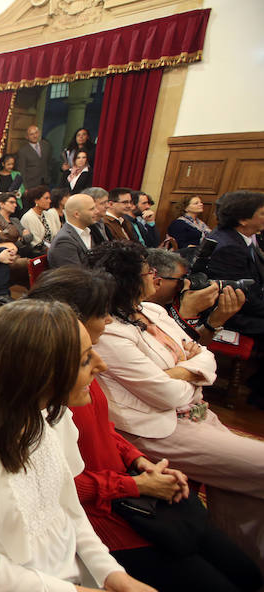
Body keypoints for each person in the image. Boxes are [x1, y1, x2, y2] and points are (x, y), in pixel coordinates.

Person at [26, 267, 261, 592]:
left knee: (246, 573)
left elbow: (104, 429)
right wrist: (135, 485)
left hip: (128, 489)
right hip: (106, 518)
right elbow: (54, 485)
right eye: (103, 313)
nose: (110, 320)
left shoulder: (81, 365)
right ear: (74, 320)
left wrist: (138, 461)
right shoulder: (46, 393)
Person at [0, 299, 154, 592]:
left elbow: (68, 511)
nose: (101, 366)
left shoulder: (46, 416)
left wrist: (113, 575)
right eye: (84, 360)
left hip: (64, 576)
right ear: (39, 374)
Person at [88, 240, 264, 574]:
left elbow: (204, 353)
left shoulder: (152, 311)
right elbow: (167, 395)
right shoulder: (110, 332)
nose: (155, 277)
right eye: (148, 272)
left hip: (198, 414)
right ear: (127, 281)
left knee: (238, 488)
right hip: (161, 431)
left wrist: (185, 369)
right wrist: (191, 369)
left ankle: (245, 565)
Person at [205, 190, 264, 399]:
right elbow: (240, 296)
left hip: (244, 305)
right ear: (243, 220)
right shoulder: (229, 247)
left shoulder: (242, 239)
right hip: (229, 313)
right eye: (262, 213)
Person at [145, 248, 244, 347]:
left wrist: (214, 322)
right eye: (180, 281)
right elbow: (173, 352)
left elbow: (196, 345)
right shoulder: (139, 312)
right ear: (157, 282)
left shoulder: (168, 304)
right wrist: (188, 312)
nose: (185, 286)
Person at [48, 193, 102, 269]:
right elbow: (75, 274)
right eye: (92, 209)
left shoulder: (90, 231)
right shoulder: (64, 241)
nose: (97, 211)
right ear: (77, 214)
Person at [0, 192, 36, 257]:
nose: (15, 205)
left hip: (26, 251)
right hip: (10, 254)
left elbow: (30, 237)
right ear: (1, 204)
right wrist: (22, 239)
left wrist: (20, 239)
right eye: (11, 202)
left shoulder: (15, 220)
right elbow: (5, 240)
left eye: (15, 203)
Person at [20, 186, 61, 250]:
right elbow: (35, 243)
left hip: (54, 249)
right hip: (38, 252)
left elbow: (57, 234)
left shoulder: (49, 214)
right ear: (36, 201)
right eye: (46, 198)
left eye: (49, 198)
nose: (50, 201)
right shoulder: (28, 217)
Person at [15, 124, 53, 189]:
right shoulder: (22, 151)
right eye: (31, 134)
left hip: (45, 182)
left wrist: (49, 177)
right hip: (31, 184)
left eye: (36, 133)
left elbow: (49, 162)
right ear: (27, 137)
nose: (35, 136)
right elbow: (21, 171)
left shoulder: (46, 145)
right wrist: (24, 187)